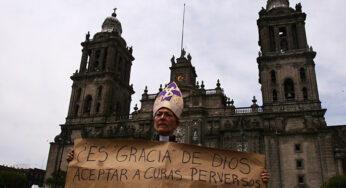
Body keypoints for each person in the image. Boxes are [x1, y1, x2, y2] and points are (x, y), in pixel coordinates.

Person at [67, 82, 270, 183]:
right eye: (159, 114)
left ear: (177, 122)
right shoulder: (137, 150)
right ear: (154, 120)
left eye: (168, 115)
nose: (162, 118)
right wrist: (82, 159)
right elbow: (111, 168)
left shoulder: (197, 155)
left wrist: (253, 177)